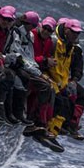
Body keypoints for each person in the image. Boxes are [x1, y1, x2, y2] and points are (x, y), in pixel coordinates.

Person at [5, 11, 60, 149]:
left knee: (50, 89)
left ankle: (41, 124)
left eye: (49, 29)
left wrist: (39, 71)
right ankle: (26, 119)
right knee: (35, 84)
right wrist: (39, 70)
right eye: (44, 27)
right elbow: (20, 55)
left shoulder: (32, 36)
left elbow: (29, 56)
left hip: (29, 67)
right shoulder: (19, 33)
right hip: (14, 64)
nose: (46, 31)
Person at [45, 18, 83, 147]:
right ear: (66, 30)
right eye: (73, 32)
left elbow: (68, 68)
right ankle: (45, 128)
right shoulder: (55, 41)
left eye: (78, 33)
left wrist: (69, 82)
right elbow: (49, 64)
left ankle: (57, 130)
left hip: (60, 80)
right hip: (48, 76)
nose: (76, 35)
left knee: (69, 99)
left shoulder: (71, 46)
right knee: (59, 99)